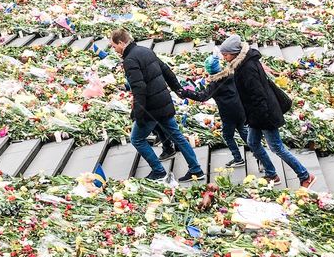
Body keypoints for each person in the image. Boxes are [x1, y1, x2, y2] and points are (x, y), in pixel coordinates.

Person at [110, 27, 205, 182]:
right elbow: (165, 70)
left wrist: (139, 114)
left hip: (151, 108)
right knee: (178, 136)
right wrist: (177, 89)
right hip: (164, 101)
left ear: (121, 43)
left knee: (137, 139)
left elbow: (139, 88)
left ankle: (158, 171)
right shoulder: (145, 50)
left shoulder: (130, 60)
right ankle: (196, 169)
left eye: (114, 46)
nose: (114, 50)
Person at [220, 35, 315, 189]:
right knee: (252, 142)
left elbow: (258, 96)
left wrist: (261, 119)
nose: (224, 58)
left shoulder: (246, 68)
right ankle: (271, 174)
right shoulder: (243, 63)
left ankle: (305, 175)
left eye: (225, 55)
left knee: (277, 147)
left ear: (235, 53)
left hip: (264, 115)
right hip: (256, 115)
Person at [180, 53, 271, 169]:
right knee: (244, 132)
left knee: (228, 136)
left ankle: (238, 158)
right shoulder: (230, 75)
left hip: (228, 114)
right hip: (240, 110)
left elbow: (202, 97)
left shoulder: (214, 84)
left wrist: (186, 93)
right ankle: (260, 157)